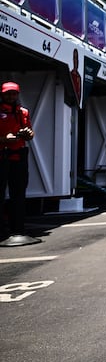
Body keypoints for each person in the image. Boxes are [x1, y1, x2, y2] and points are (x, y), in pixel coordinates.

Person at [0, 82, 35, 242]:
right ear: (2, 94)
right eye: (8, 94)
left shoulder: (23, 112)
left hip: (19, 155)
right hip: (2, 155)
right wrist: (3, 139)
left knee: (19, 194)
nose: (11, 96)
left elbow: (30, 132)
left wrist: (27, 134)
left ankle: (18, 229)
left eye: (14, 93)